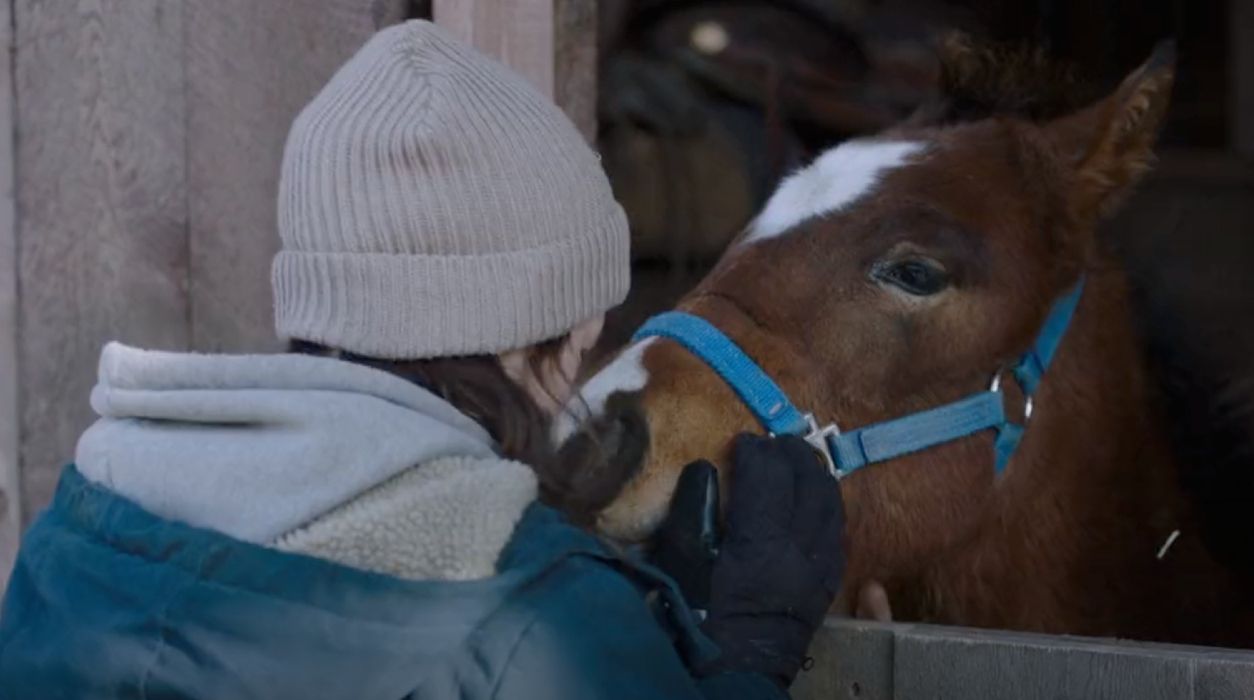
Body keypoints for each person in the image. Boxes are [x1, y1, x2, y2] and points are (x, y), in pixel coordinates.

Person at [0, 20, 844, 700]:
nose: (591, 346)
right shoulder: (529, 623)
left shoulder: (75, 537)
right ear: (539, 328)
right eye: (587, 320)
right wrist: (746, 653)